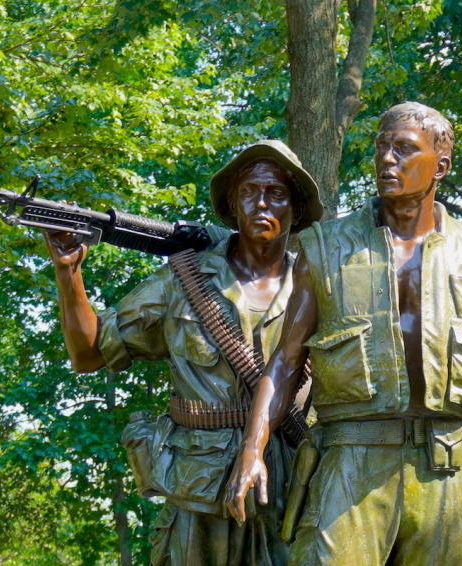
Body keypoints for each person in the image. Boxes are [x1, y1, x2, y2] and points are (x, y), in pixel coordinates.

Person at [225, 102, 462, 565]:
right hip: (351, 458)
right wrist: (252, 449)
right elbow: (286, 360)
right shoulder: (326, 246)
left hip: (444, 465)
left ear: (442, 165)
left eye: (405, 149)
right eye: (381, 148)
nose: (387, 160)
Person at [43, 140, 323, 566]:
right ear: (232, 204)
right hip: (198, 484)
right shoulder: (183, 279)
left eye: (276, 194)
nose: (261, 203)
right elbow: (89, 354)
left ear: (296, 209)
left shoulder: (319, 287)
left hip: (292, 483)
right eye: (248, 192)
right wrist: (69, 271)